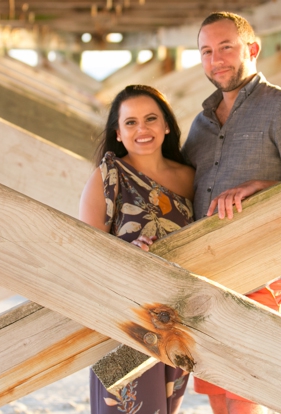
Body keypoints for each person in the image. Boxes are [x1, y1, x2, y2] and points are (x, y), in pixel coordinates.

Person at [183, 12, 281, 414]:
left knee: (247, 393)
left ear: (252, 48)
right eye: (206, 51)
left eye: (226, 47)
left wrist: (262, 188)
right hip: (209, 276)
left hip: (267, 269)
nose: (216, 59)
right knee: (220, 395)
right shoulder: (200, 125)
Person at [79, 85, 195, 414]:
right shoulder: (106, 178)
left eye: (150, 119)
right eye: (130, 123)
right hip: (123, 317)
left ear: (167, 125)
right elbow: (84, 254)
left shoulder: (189, 178)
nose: (142, 129)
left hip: (175, 321)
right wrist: (130, 256)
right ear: (117, 132)